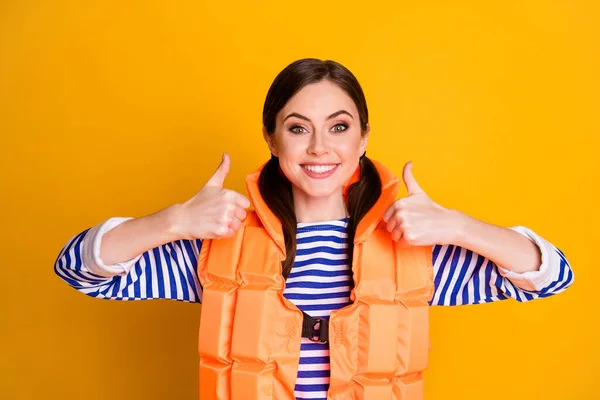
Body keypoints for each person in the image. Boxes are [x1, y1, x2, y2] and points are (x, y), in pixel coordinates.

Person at [54, 58, 574, 400]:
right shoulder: (223, 242)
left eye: (339, 127)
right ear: (273, 139)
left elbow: (550, 275)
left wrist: (459, 227)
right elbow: (79, 269)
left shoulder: (409, 246)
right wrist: (173, 222)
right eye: (298, 128)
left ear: (364, 138)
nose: (320, 148)